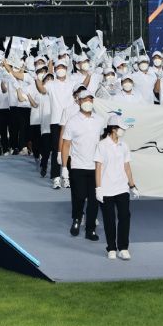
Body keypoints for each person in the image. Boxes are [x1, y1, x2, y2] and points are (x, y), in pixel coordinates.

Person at [34, 58, 88, 189]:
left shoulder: (72, 83)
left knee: (70, 150)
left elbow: (84, 87)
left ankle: (67, 177)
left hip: (71, 120)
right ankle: (56, 177)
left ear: (66, 69)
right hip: (56, 121)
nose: (60, 70)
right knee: (56, 149)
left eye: (62, 67)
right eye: (58, 68)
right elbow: (42, 90)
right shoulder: (51, 84)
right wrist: (36, 79)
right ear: (55, 70)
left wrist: (89, 74)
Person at [61, 90, 105, 241]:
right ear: (79, 102)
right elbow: (66, 145)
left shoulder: (100, 120)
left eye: (90, 99)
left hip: (95, 167)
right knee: (79, 197)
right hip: (78, 166)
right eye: (85, 99)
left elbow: (102, 141)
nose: (88, 102)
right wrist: (64, 167)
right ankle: (77, 218)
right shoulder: (72, 121)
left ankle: (90, 229)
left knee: (94, 200)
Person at [94, 114, 139, 260]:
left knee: (125, 216)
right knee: (109, 219)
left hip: (121, 188)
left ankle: (123, 248)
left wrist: (132, 185)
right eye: (121, 128)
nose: (123, 131)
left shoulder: (124, 145)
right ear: (113, 129)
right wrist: (98, 188)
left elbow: (127, 167)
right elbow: (98, 167)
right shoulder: (102, 145)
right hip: (106, 189)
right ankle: (111, 247)